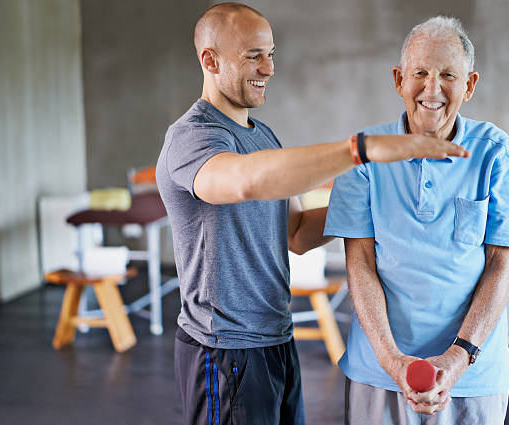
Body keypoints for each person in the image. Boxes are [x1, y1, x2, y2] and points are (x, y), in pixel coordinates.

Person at [156, 3, 468, 425]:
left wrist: (374, 203)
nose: (268, 68)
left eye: (271, 54)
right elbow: (243, 181)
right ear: (210, 60)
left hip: (275, 339)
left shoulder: (263, 136)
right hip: (224, 347)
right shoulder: (192, 137)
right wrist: (359, 151)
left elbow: (298, 233)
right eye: (253, 56)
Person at [324, 16, 509, 425]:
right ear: (399, 80)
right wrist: (392, 361)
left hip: (474, 373)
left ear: (470, 85)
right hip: (378, 372)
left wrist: (458, 359)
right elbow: (361, 265)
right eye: (419, 73)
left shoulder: (496, 151)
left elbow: (501, 268)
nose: (432, 88)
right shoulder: (363, 153)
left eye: (448, 75)